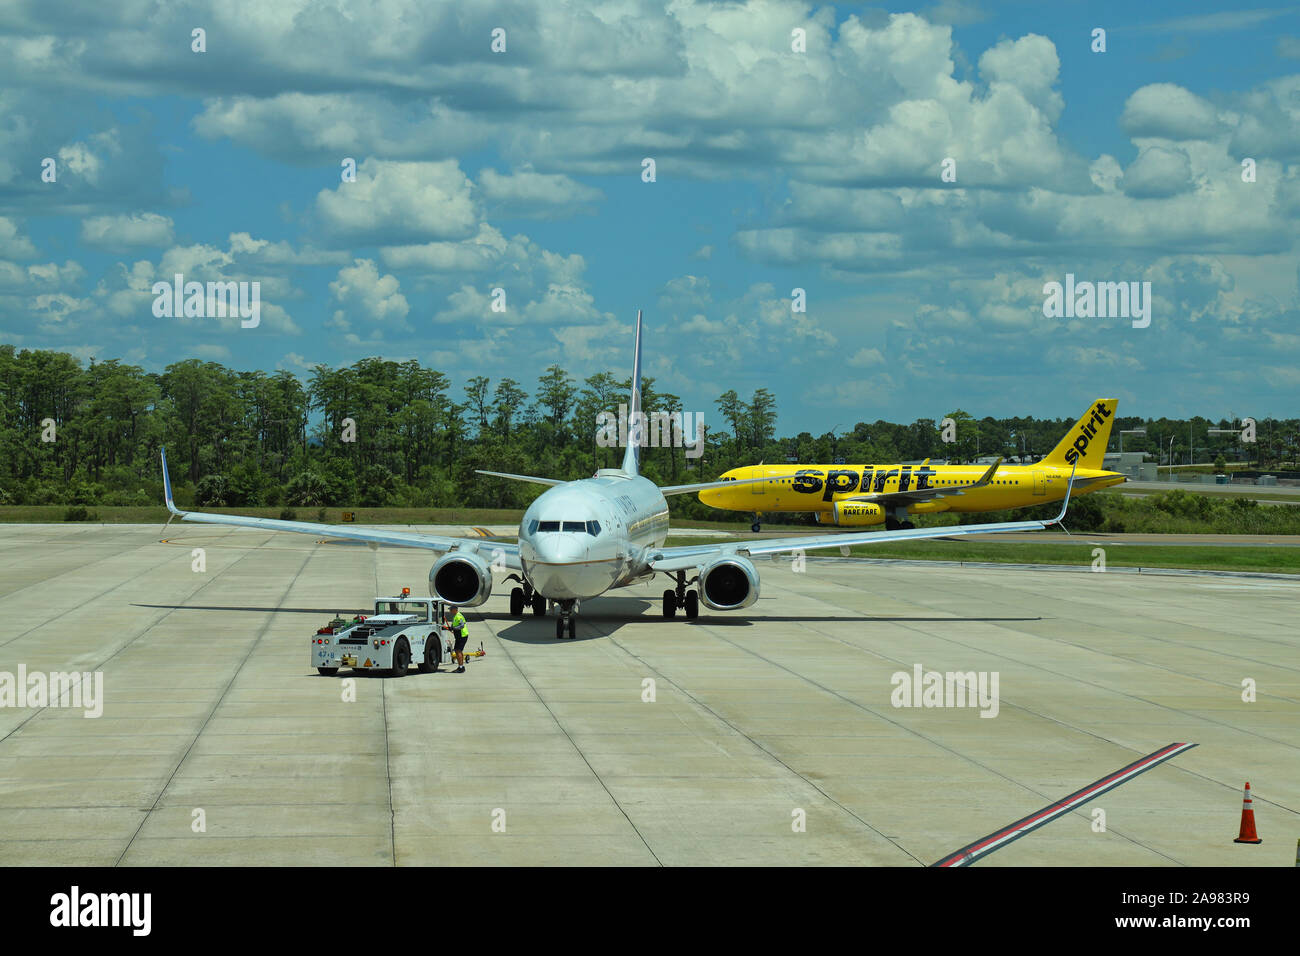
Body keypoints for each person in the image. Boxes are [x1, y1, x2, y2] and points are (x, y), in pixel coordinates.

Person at [443, 605, 469, 673]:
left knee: (458, 651)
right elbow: (454, 625)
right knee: (458, 651)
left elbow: (461, 625)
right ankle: (461, 666)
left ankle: (461, 667)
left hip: (462, 636)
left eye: (451, 610)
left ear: (455, 609)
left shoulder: (458, 616)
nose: (450, 611)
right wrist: (450, 628)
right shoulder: (455, 616)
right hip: (459, 636)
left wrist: (454, 628)